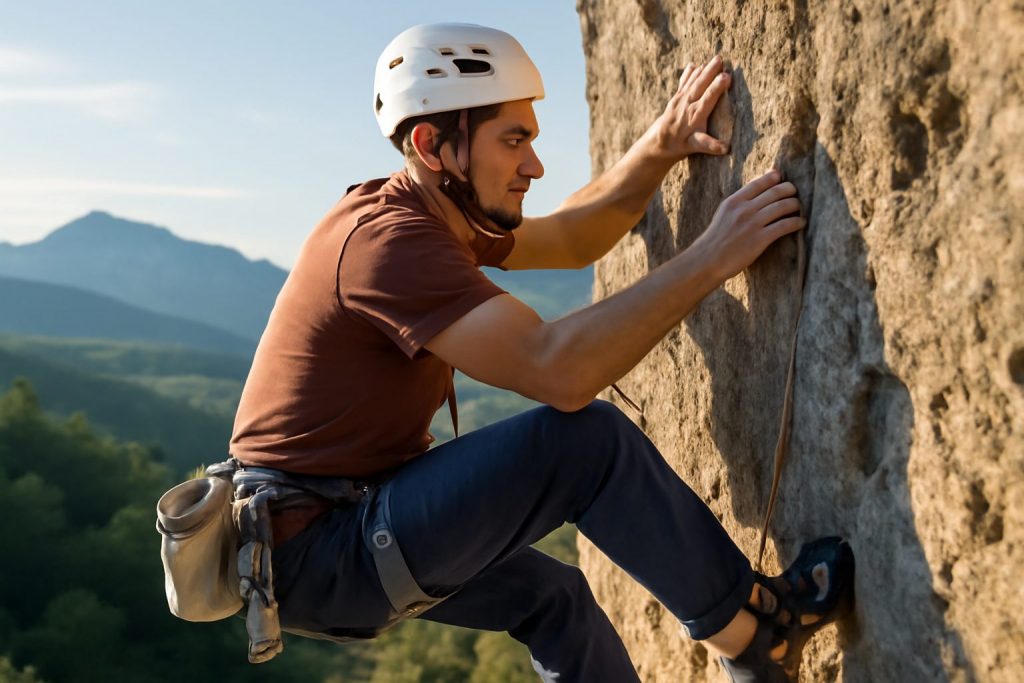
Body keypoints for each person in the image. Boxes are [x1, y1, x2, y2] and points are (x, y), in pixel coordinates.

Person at [229, 22, 854, 683]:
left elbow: (571, 237)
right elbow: (561, 371)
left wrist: (661, 145)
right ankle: (758, 636)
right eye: (513, 140)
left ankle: (754, 649)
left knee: (554, 600)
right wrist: (713, 255)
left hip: (328, 534)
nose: (534, 165)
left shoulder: (435, 214)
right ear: (433, 146)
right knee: (583, 444)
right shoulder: (388, 243)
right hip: (324, 543)